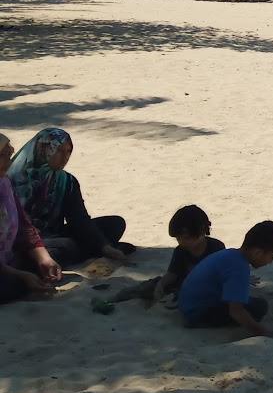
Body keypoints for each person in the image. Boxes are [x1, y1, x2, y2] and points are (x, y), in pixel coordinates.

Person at [5, 128, 130, 266]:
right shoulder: (12, 179)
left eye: (68, 151)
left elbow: (79, 219)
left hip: (54, 234)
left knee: (115, 224)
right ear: (44, 149)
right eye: (59, 151)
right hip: (23, 240)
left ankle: (93, 249)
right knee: (65, 246)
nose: (65, 157)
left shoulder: (66, 181)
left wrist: (104, 247)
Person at [178, 219, 273, 335]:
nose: (270, 262)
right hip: (197, 314)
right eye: (271, 256)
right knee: (259, 307)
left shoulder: (230, 254)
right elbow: (236, 311)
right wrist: (263, 332)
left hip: (187, 304)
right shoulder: (239, 268)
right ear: (258, 253)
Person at [116, 205, 226, 304]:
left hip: (204, 290)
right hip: (179, 285)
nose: (182, 242)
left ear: (202, 231)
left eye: (186, 238)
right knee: (145, 287)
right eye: (178, 239)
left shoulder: (216, 248)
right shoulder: (180, 250)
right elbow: (172, 274)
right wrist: (161, 285)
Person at [0, 134, 63, 304]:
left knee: (55, 254)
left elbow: (23, 224)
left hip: (8, 257)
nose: (10, 155)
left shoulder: (4, 182)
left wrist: (43, 257)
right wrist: (21, 276)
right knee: (8, 287)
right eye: (2, 154)